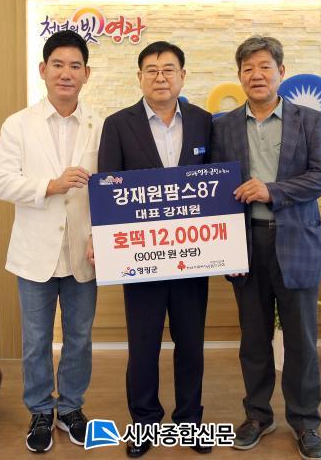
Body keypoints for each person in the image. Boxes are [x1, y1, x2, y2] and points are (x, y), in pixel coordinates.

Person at [211, 36, 321, 460]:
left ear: (281, 71)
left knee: (301, 340)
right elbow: (214, 187)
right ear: (239, 76)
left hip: (296, 241)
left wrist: (272, 190)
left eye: (265, 66)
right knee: (253, 338)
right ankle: (258, 415)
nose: (257, 75)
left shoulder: (309, 120)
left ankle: (305, 421)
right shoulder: (224, 126)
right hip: (245, 244)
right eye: (248, 69)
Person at [97, 41, 213, 458]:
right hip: (140, 258)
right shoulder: (117, 125)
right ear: (139, 77)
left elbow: (217, 186)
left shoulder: (204, 122)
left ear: (182, 75)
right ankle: (144, 423)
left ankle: (189, 422)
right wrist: (103, 242)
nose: (160, 77)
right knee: (143, 345)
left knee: (191, 344)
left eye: (168, 69)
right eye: (151, 70)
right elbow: (107, 188)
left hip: (192, 257)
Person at [0, 30, 102, 453]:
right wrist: (51, 185)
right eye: (58, 64)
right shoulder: (18, 124)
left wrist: (100, 237)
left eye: (75, 66)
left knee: (79, 337)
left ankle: (71, 407)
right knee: (36, 340)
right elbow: (2, 183)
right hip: (34, 251)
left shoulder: (100, 125)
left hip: (83, 251)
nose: (66, 73)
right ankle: (40, 410)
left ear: (87, 74)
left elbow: (111, 190)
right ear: (43, 70)